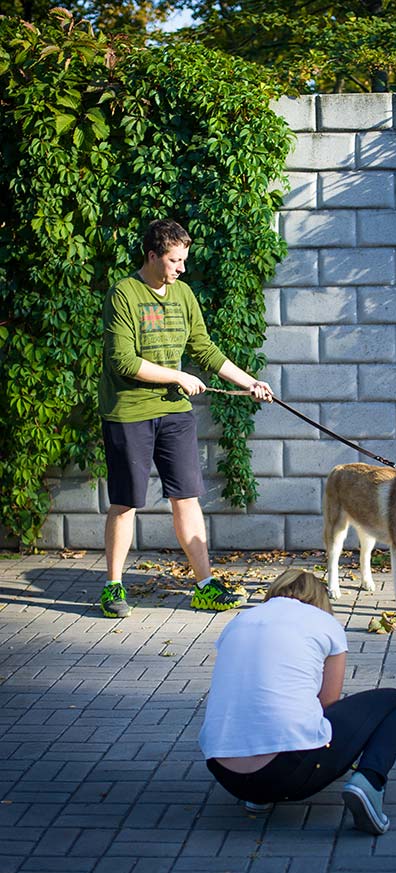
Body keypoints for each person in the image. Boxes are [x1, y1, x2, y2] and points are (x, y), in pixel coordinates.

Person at [97, 218, 273, 619]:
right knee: (125, 501)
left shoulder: (184, 295)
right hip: (129, 412)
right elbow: (123, 361)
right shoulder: (124, 294)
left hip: (174, 412)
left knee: (187, 497)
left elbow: (205, 349)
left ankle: (205, 585)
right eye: (174, 260)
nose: (181, 268)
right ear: (153, 255)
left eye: (184, 260)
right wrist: (178, 374)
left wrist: (251, 383)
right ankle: (112, 587)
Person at [199, 569, 396, 835]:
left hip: (225, 773)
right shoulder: (325, 623)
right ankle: (369, 782)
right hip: (290, 771)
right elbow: (328, 702)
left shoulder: (238, 620)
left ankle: (259, 797)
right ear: (320, 599)